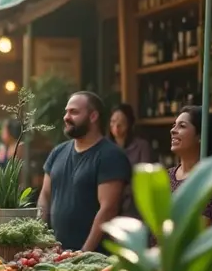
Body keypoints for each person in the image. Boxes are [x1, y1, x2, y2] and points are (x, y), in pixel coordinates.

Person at [38, 91, 131, 252]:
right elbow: (45, 196)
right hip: (56, 256)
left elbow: (108, 208)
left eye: (74, 112)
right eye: (66, 111)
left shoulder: (111, 155)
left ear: (93, 116)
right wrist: (41, 241)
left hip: (96, 260)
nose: (66, 117)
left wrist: (84, 253)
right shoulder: (57, 152)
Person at [168, 106, 212, 224]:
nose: (173, 130)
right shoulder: (166, 176)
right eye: (174, 125)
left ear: (200, 136)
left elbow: (197, 233)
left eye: (182, 126)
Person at [108, 103, 152, 218]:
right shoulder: (105, 147)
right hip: (109, 203)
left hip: (134, 205)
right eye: (113, 121)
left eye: (121, 122)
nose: (116, 126)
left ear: (129, 123)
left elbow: (144, 177)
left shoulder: (141, 146)